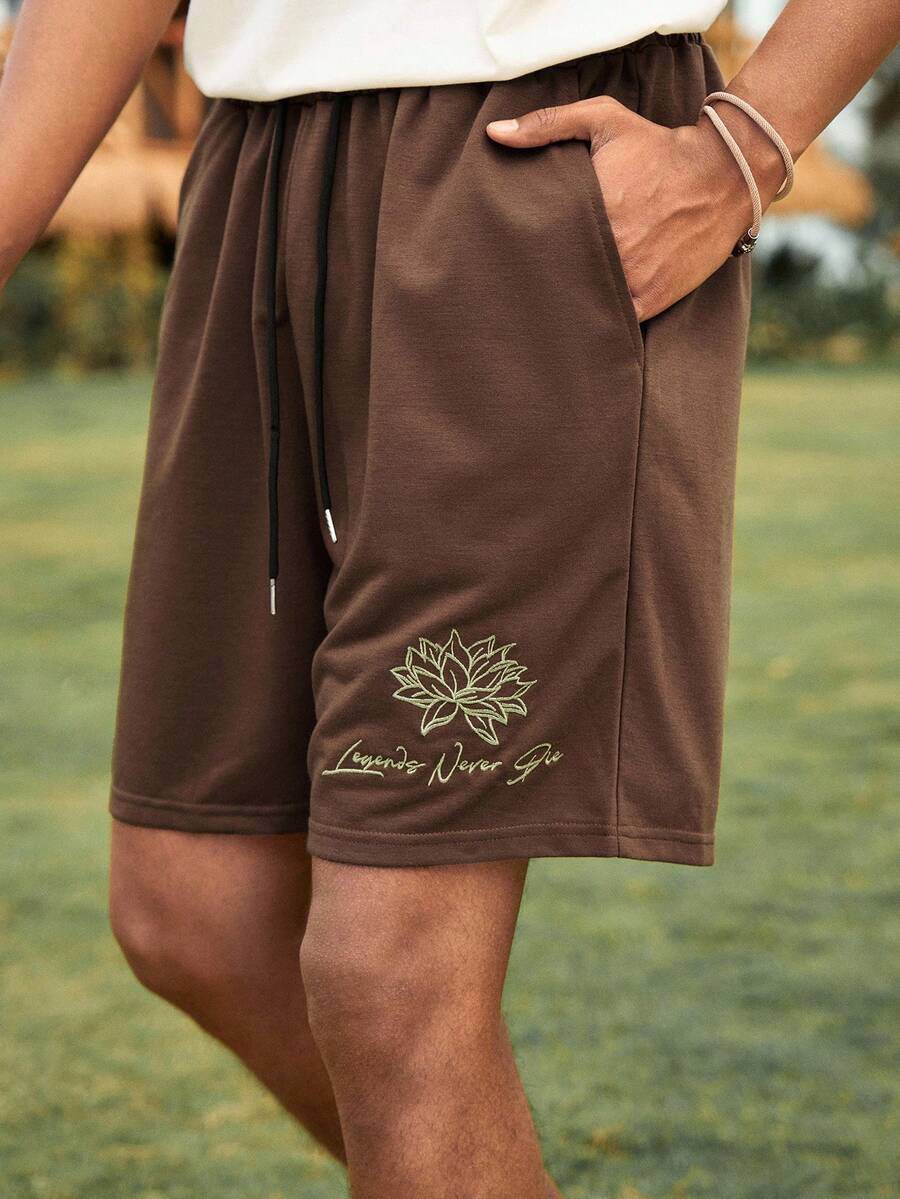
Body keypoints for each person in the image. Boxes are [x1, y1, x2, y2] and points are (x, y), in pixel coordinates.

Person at [1, 1, 897, 1194]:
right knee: (195, 905)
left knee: (389, 973)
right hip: (256, 179)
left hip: (523, 167)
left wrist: (744, 145)